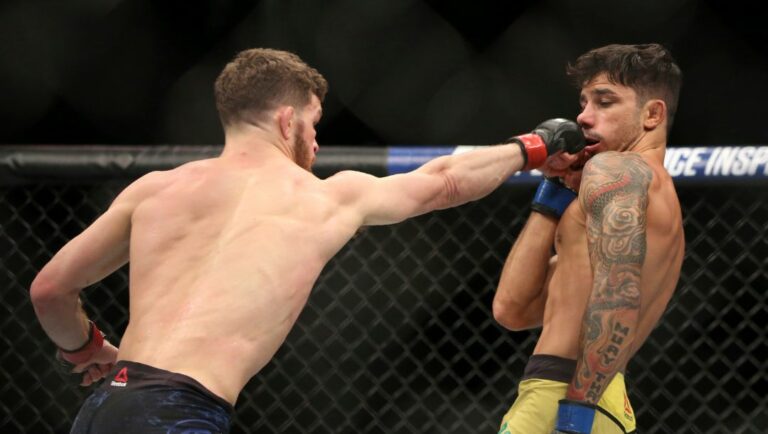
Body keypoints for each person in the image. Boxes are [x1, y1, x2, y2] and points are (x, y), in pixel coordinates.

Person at [29, 48, 584, 433]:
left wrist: (86, 348)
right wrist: (535, 146)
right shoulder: (323, 197)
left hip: (107, 404)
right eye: (314, 124)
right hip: (179, 412)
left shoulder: (155, 189)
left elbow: (50, 289)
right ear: (287, 120)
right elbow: (445, 182)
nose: (316, 143)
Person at [493, 43, 684, 434]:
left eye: (604, 102)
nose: (582, 116)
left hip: (567, 395)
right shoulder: (640, 192)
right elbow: (512, 308)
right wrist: (554, 190)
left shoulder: (616, 170)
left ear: (652, 114)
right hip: (591, 396)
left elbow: (618, 293)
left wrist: (576, 415)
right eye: (583, 102)